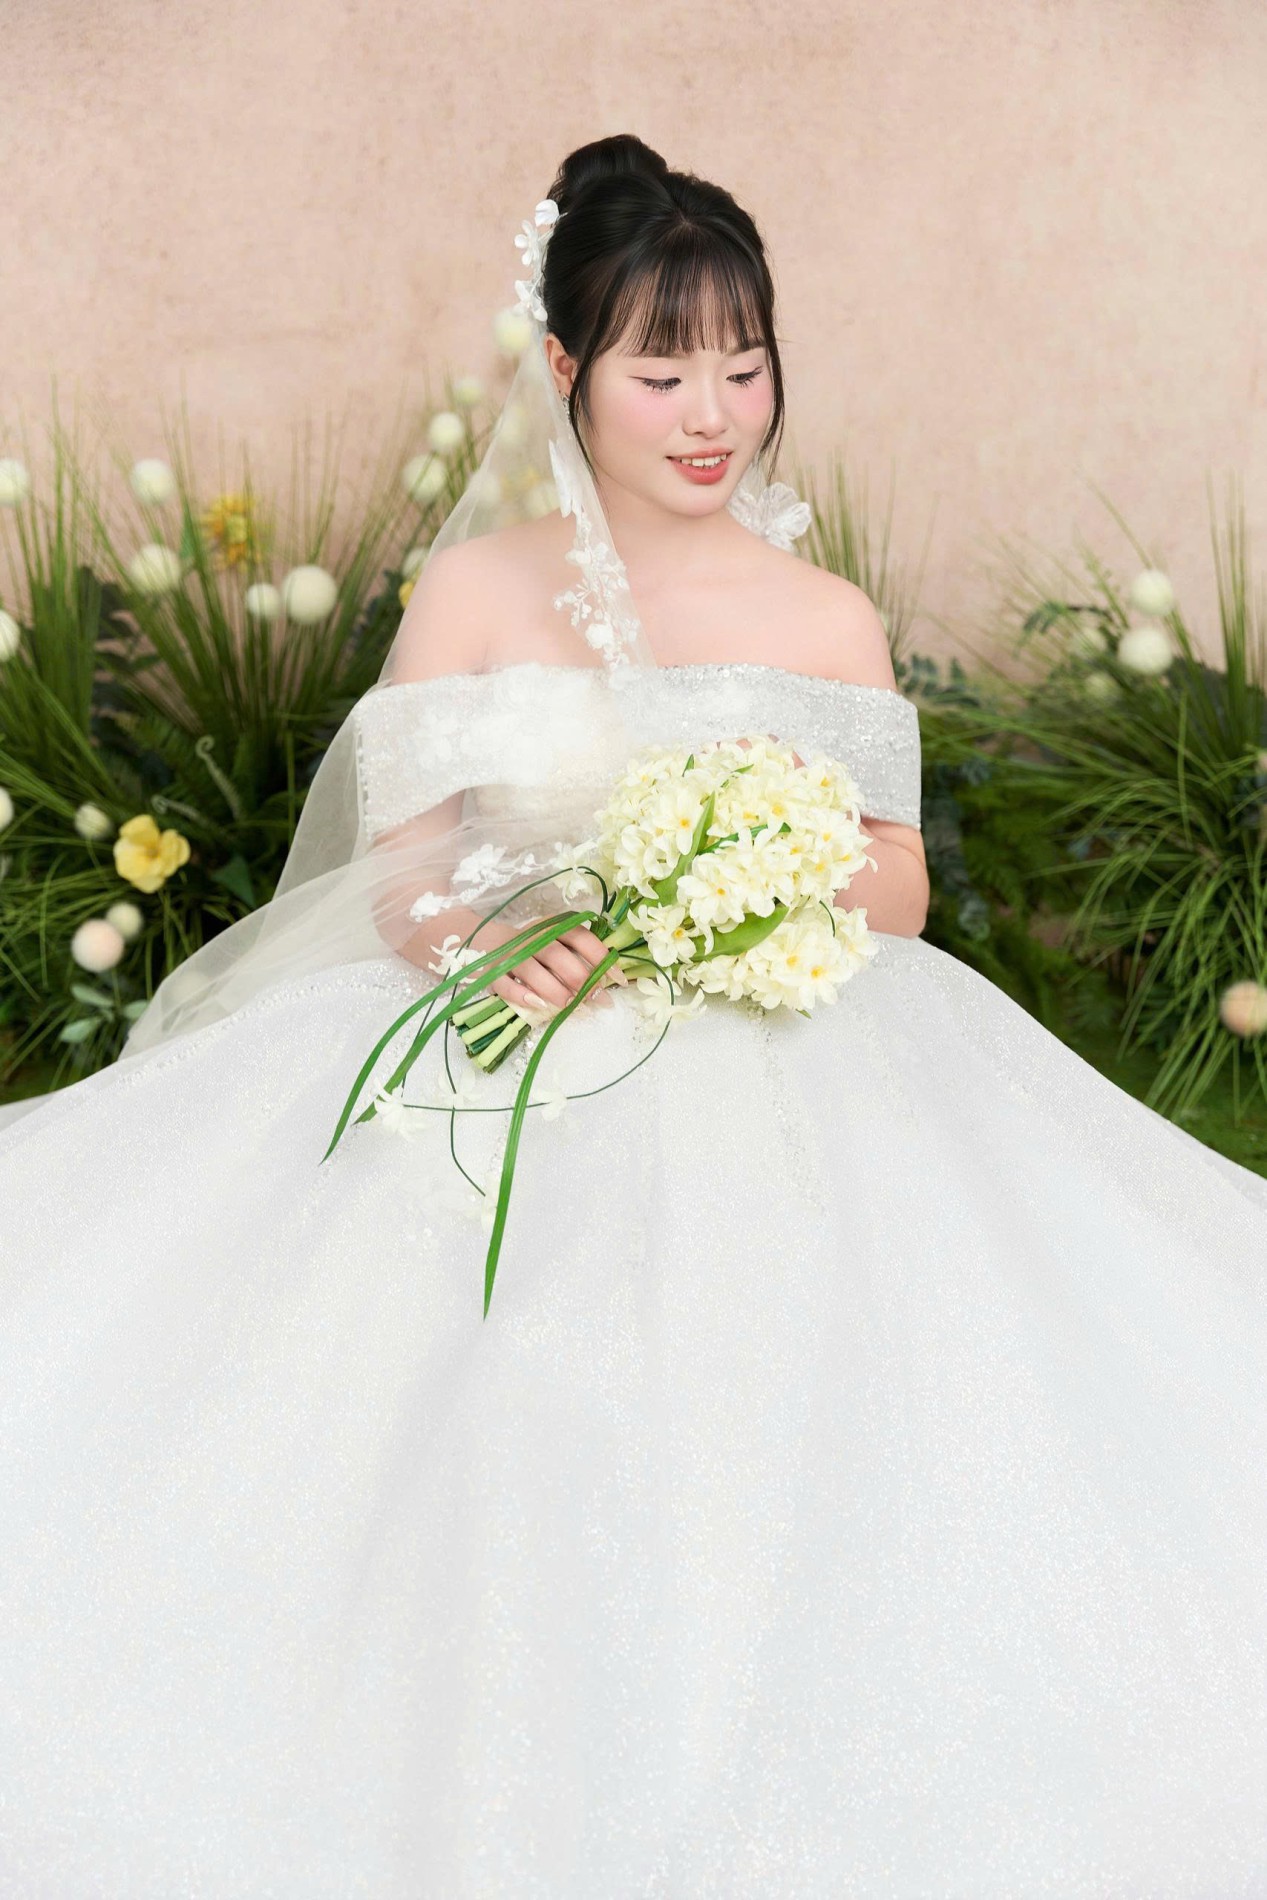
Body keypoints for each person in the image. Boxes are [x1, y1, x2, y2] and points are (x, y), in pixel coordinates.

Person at [1, 133, 1265, 1897]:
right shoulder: (477, 590)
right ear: (566, 368)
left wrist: (713, 895)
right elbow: (405, 865)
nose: (712, 414)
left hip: (793, 1040)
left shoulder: (825, 615)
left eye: (743, 365)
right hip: (512, 1030)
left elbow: (897, 879)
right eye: (663, 371)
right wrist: (486, 940)